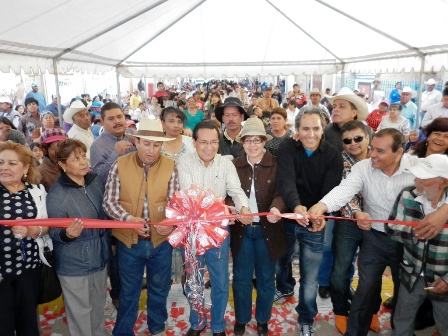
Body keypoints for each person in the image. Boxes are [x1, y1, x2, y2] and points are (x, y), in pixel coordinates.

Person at [308, 128, 448, 336]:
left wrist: (445, 211)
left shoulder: (417, 168)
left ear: (399, 152)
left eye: (380, 151)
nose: (372, 154)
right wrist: (320, 207)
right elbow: (345, 190)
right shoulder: (363, 168)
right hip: (375, 239)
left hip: (410, 244)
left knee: (405, 295)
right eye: (372, 148)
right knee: (366, 290)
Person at [103, 117, 178, 336]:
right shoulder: (120, 164)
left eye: (156, 144)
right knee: (129, 292)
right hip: (129, 242)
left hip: (160, 243)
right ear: (136, 142)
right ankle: (124, 331)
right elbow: (109, 202)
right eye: (146, 143)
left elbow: (174, 203)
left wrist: (170, 224)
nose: (151, 149)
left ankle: (156, 327)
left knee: (159, 289)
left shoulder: (170, 166)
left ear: (162, 145)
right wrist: (128, 220)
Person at [177, 120, 251, 336]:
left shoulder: (225, 164)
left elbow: (236, 191)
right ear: (194, 142)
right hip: (192, 232)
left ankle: (218, 325)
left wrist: (243, 208)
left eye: (213, 142)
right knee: (194, 281)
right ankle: (197, 323)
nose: (208, 147)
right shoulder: (184, 161)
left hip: (218, 233)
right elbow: (189, 194)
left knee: (219, 281)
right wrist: (222, 207)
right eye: (203, 142)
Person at [275, 109, 344, 336]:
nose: (311, 134)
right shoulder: (287, 147)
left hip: (315, 219)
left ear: (323, 128)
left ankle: (306, 317)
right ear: (297, 130)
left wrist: (319, 214)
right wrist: (296, 206)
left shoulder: (333, 155)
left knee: (310, 276)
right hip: (290, 217)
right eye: (305, 129)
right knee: (281, 260)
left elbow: (331, 190)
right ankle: (285, 287)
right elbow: (285, 179)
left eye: (315, 128)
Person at [229, 118, 287, 336]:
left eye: (257, 140)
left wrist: (276, 208)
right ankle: (242, 319)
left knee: (266, 278)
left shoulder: (276, 163)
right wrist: (235, 211)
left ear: (264, 141)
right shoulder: (234, 165)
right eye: (248, 140)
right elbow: (227, 194)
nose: (252, 145)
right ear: (242, 142)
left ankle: (263, 319)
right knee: (241, 278)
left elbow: (282, 192)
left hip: (268, 231)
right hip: (243, 230)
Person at [47, 139, 110, 336]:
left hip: (99, 257)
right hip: (74, 263)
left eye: (83, 156)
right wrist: (67, 234)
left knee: (98, 306)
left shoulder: (94, 182)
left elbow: (106, 215)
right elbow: (53, 232)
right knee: (80, 313)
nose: (83, 162)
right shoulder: (57, 195)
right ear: (62, 165)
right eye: (76, 159)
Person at [386, 154, 448, 335]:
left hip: (442, 277)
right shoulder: (407, 194)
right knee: (402, 319)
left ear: (443, 181)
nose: (415, 180)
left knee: (445, 322)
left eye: (423, 177)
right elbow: (391, 227)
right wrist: (414, 233)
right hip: (411, 273)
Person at [329, 121, 380, 334]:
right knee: (340, 270)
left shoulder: (380, 157)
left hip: (378, 224)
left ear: (368, 137)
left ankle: (371, 311)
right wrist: (357, 213)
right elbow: (343, 192)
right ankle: (341, 311)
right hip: (348, 222)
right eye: (347, 140)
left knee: (373, 272)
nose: (353, 144)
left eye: (358, 138)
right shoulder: (339, 161)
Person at [0, 141, 49, 335]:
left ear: (26, 167)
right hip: (1, 271)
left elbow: (47, 226)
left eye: (12, 163)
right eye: (1, 162)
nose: (4, 167)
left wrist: (32, 231)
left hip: (28, 269)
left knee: (27, 322)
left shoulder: (37, 192)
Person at [90, 102, 135, 184]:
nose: (117, 121)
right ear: (102, 122)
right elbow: (98, 179)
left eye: (119, 117)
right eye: (111, 119)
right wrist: (116, 154)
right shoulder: (97, 146)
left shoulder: (131, 134)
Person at [323, 87, 370, 152]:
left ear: (354, 113)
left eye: (342, 106)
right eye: (334, 106)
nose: (335, 109)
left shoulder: (367, 131)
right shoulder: (326, 131)